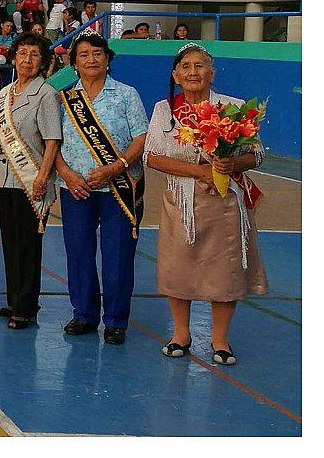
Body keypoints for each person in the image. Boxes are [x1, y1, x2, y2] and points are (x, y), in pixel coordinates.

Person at [145, 43, 266, 365]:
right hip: (180, 202)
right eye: (186, 66)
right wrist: (201, 171)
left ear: (211, 74)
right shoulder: (164, 109)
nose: (193, 72)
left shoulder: (233, 107)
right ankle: (180, 334)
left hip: (225, 203)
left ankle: (220, 339)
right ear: (176, 74)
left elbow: (256, 153)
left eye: (200, 66)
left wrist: (231, 165)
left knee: (225, 271)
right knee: (178, 267)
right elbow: (152, 157)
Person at [54, 31, 149, 345]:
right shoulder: (65, 99)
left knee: (118, 254)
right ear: (74, 63)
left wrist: (115, 167)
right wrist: (66, 173)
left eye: (97, 53)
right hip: (76, 189)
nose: (91, 59)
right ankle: (84, 314)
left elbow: (141, 138)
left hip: (119, 188)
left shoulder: (126, 94)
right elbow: (52, 143)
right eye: (83, 55)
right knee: (79, 253)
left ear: (108, 60)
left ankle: (116, 320)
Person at [0, 33, 62, 330]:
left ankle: (27, 306)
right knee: (10, 242)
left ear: (42, 61)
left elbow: (53, 140)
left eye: (34, 55)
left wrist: (43, 177)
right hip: (4, 177)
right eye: (22, 53)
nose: (27, 60)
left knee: (28, 245)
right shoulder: (5, 93)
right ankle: (14, 299)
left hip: (31, 179)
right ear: (14, 57)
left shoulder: (45, 94)